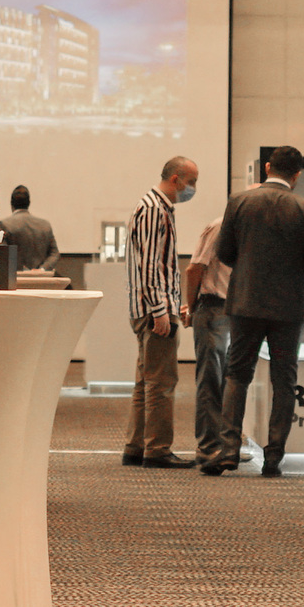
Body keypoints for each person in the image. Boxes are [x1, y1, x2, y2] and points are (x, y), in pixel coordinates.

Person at [205, 145, 304, 477]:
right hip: (288, 307)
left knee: (236, 375)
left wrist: (248, 265)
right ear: (297, 175)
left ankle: (228, 449)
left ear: (268, 167)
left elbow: (224, 253)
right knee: (284, 380)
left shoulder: (239, 201)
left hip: (245, 301)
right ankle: (273, 456)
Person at [124, 156, 199, 468]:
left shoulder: (155, 207)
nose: (193, 189)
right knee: (161, 383)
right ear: (176, 179)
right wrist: (160, 310)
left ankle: (136, 446)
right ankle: (157, 449)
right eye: (191, 182)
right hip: (153, 309)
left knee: (146, 381)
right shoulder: (154, 208)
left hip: (151, 306)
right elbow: (150, 265)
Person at [182, 216, 232, 466]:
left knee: (228, 382)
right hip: (214, 308)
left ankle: (225, 446)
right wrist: (192, 308)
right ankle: (209, 447)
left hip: (236, 311)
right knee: (211, 380)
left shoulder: (246, 225)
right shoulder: (219, 226)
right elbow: (194, 269)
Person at [0, 185, 60, 276]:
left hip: (16, 277)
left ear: (11, 204)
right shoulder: (45, 225)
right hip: (42, 279)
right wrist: (42, 269)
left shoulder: (5, 224)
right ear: (29, 203)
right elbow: (54, 253)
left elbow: (2, 254)